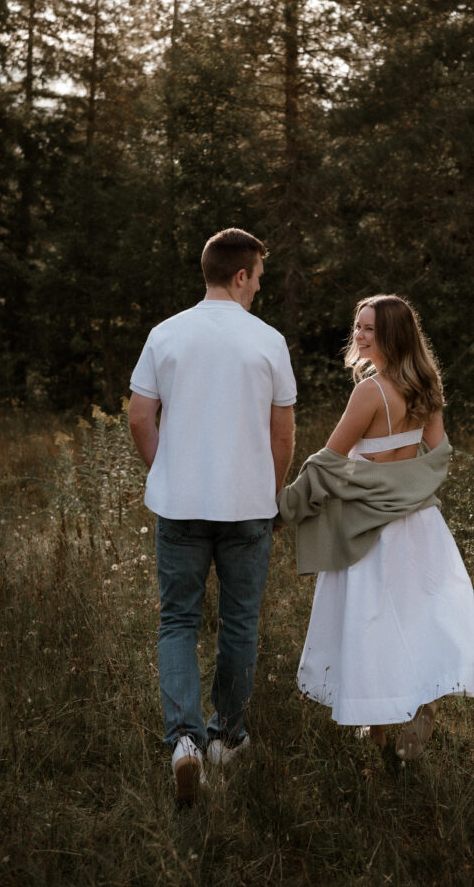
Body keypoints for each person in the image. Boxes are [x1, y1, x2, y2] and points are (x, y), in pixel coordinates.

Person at [278, 294, 474, 758]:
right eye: (357, 325)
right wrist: (406, 488)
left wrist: (287, 507)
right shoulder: (425, 385)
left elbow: (329, 461)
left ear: (392, 335)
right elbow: (437, 456)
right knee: (416, 619)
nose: (358, 334)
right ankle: (420, 702)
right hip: (418, 522)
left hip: (370, 527)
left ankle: (377, 733)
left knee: (369, 622)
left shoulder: (370, 392)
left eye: (369, 328)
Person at [128, 228, 296, 802]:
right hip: (248, 506)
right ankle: (227, 737)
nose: (258, 292)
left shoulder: (166, 333)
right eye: (258, 281)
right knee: (239, 622)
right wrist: (272, 495)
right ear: (241, 275)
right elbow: (282, 433)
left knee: (178, 621)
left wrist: (164, 469)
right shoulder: (269, 341)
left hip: (180, 505)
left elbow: (139, 417)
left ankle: (184, 744)